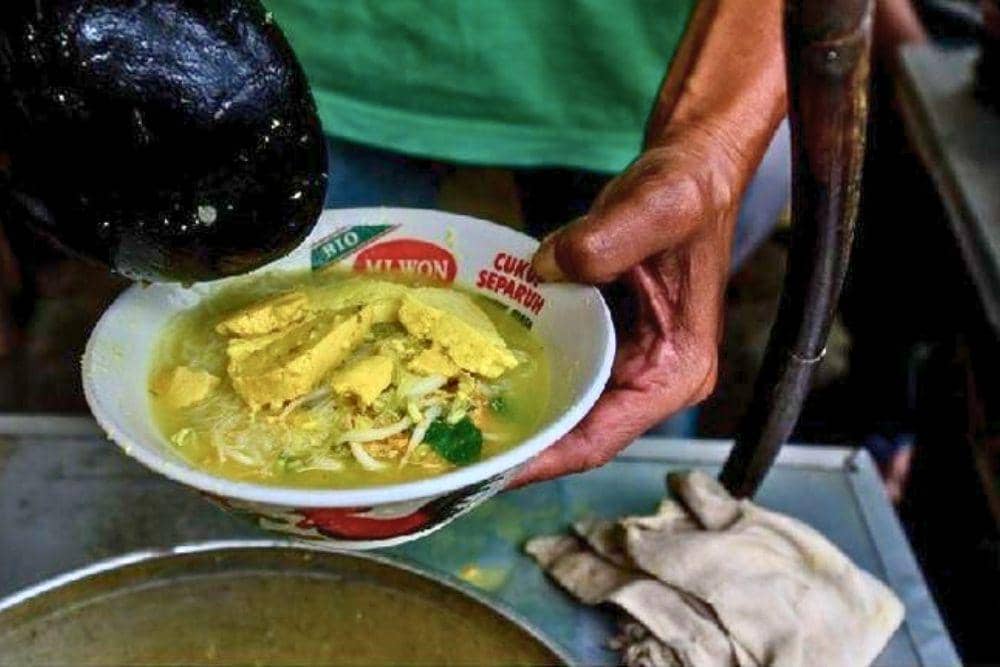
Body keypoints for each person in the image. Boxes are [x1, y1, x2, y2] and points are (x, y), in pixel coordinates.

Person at [262, 0, 929, 487]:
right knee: (278, 405)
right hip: (318, 55)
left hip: (648, 74)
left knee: (626, 407)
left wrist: (711, 142)